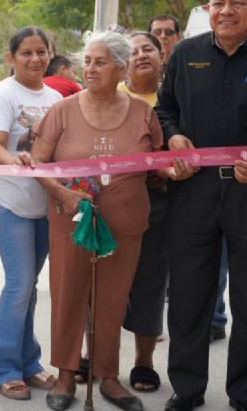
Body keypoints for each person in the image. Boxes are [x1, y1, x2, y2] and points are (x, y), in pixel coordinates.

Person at [31, 31, 185, 411]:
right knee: (68, 295)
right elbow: (37, 163)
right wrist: (63, 194)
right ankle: (66, 375)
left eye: (100, 62)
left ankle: (109, 376)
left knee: (112, 300)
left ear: (120, 67)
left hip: (126, 220)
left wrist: (172, 170)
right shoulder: (63, 111)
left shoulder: (142, 112)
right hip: (72, 219)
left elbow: (155, 163)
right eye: (87, 61)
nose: (90, 68)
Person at [157, 0, 247, 411]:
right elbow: (164, 109)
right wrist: (173, 135)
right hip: (193, 191)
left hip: (245, 194)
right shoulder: (185, 53)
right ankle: (187, 387)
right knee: (190, 294)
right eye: (219, 2)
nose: (227, 10)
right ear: (208, 8)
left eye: (238, 2)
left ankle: (243, 391)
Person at [0, 27, 61, 400]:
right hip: (6, 198)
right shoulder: (1, 95)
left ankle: (30, 363)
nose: (35, 59)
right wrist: (14, 160)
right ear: (11, 57)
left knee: (30, 285)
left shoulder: (57, 98)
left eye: (41, 51)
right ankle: (5, 370)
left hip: (44, 202)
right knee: (19, 282)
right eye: (26, 52)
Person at [118, 32, 169, 394]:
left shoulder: (174, 98)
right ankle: (93, 355)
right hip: (111, 198)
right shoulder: (109, 96)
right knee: (99, 281)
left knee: (151, 281)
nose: (141, 56)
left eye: (148, 49)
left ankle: (144, 361)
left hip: (160, 201)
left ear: (162, 55)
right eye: (133, 51)